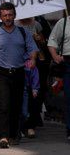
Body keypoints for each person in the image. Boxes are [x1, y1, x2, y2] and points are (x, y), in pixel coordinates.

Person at [0, 2, 38, 148]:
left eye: (10, 15)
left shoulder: (23, 32)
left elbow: (32, 48)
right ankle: (3, 137)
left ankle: (14, 135)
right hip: (0, 73)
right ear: (0, 17)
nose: (8, 17)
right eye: (5, 15)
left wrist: (32, 59)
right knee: (3, 105)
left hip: (19, 72)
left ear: (14, 15)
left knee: (16, 105)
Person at [48, 13, 70, 141]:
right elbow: (52, 41)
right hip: (68, 63)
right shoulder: (64, 22)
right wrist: (55, 56)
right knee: (69, 98)